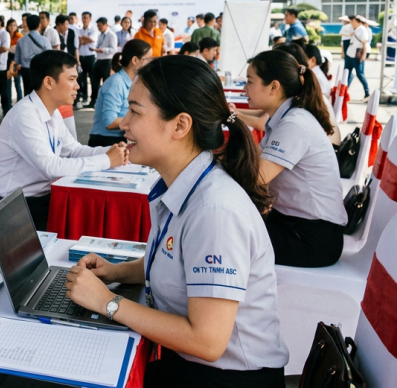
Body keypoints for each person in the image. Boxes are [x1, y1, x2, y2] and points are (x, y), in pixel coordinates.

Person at [65, 55, 288, 387]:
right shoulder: (184, 183)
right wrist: (116, 271)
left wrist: (107, 302)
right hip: (187, 365)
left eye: (135, 112)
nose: (124, 123)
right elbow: (174, 261)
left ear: (180, 126)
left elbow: (208, 342)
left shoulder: (215, 211)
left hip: (226, 378)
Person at [0, 50, 127, 229]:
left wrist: (110, 151)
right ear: (49, 82)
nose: (77, 85)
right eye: (71, 79)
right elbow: (51, 167)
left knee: (94, 222)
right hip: (13, 208)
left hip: (40, 199)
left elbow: (73, 151)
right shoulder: (25, 115)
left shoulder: (51, 112)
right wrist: (107, 160)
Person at [241, 50, 346, 268]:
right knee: (228, 227)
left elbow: (257, 178)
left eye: (249, 82)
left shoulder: (294, 123)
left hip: (311, 239)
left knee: (224, 236)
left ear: (273, 87)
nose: (244, 89)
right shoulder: (284, 119)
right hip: (293, 224)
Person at [89, 39, 152, 147]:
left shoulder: (134, 82)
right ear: (135, 60)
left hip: (120, 138)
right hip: (106, 141)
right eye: (148, 59)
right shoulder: (116, 83)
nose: (150, 63)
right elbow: (110, 121)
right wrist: (141, 120)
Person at [14, 14, 50, 97]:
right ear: (39, 24)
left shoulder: (21, 41)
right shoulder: (45, 40)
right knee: (40, 95)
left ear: (27, 25)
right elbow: (49, 58)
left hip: (26, 71)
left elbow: (17, 60)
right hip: (40, 70)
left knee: (28, 94)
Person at [90, 17, 118, 101]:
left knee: (106, 82)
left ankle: (106, 100)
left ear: (106, 25)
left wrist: (103, 50)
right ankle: (94, 99)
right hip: (99, 59)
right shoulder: (100, 35)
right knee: (94, 80)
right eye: (98, 26)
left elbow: (114, 49)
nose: (99, 28)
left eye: (100, 26)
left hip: (107, 60)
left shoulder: (111, 35)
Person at [345, 15, 371, 100]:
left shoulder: (362, 30)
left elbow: (365, 43)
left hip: (357, 56)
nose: (351, 23)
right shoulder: (355, 29)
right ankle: (344, 92)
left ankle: (367, 94)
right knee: (346, 73)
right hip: (350, 54)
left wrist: (363, 55)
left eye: (352, 21)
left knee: (360, 74)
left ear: (356, 21)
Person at [76, 12, 99, 107]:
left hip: (91, 56)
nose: (85, 19)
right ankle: (84, 97)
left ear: (90, 19)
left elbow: (92, 40)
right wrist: (84, 40)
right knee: (82, 79)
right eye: (83, 18)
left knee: (93, 79)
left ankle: (94, 99)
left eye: (86, 18)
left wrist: (83, 39)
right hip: (81, 57)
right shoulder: (79, 30)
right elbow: (78, 42)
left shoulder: (93, 29)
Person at [6, 18, 23, 102]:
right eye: (10, 25)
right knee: (8, 81)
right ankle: (9, 101)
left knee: (17, 82)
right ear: (7, 26)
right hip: (7, 59)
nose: (12, 27)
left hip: (17, 59)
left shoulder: (19, 36)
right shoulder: (6, 35)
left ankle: (19, 100)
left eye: (14, 25)